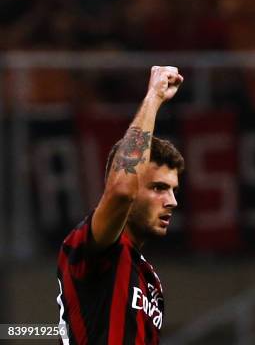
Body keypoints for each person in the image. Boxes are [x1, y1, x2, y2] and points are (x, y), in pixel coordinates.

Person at [56, 66, 184, 344]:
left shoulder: (151, 281)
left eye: (173, 190)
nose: (172, 201)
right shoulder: (94, 249)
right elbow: (121, 191)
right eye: (158, 188)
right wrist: (154, 96)